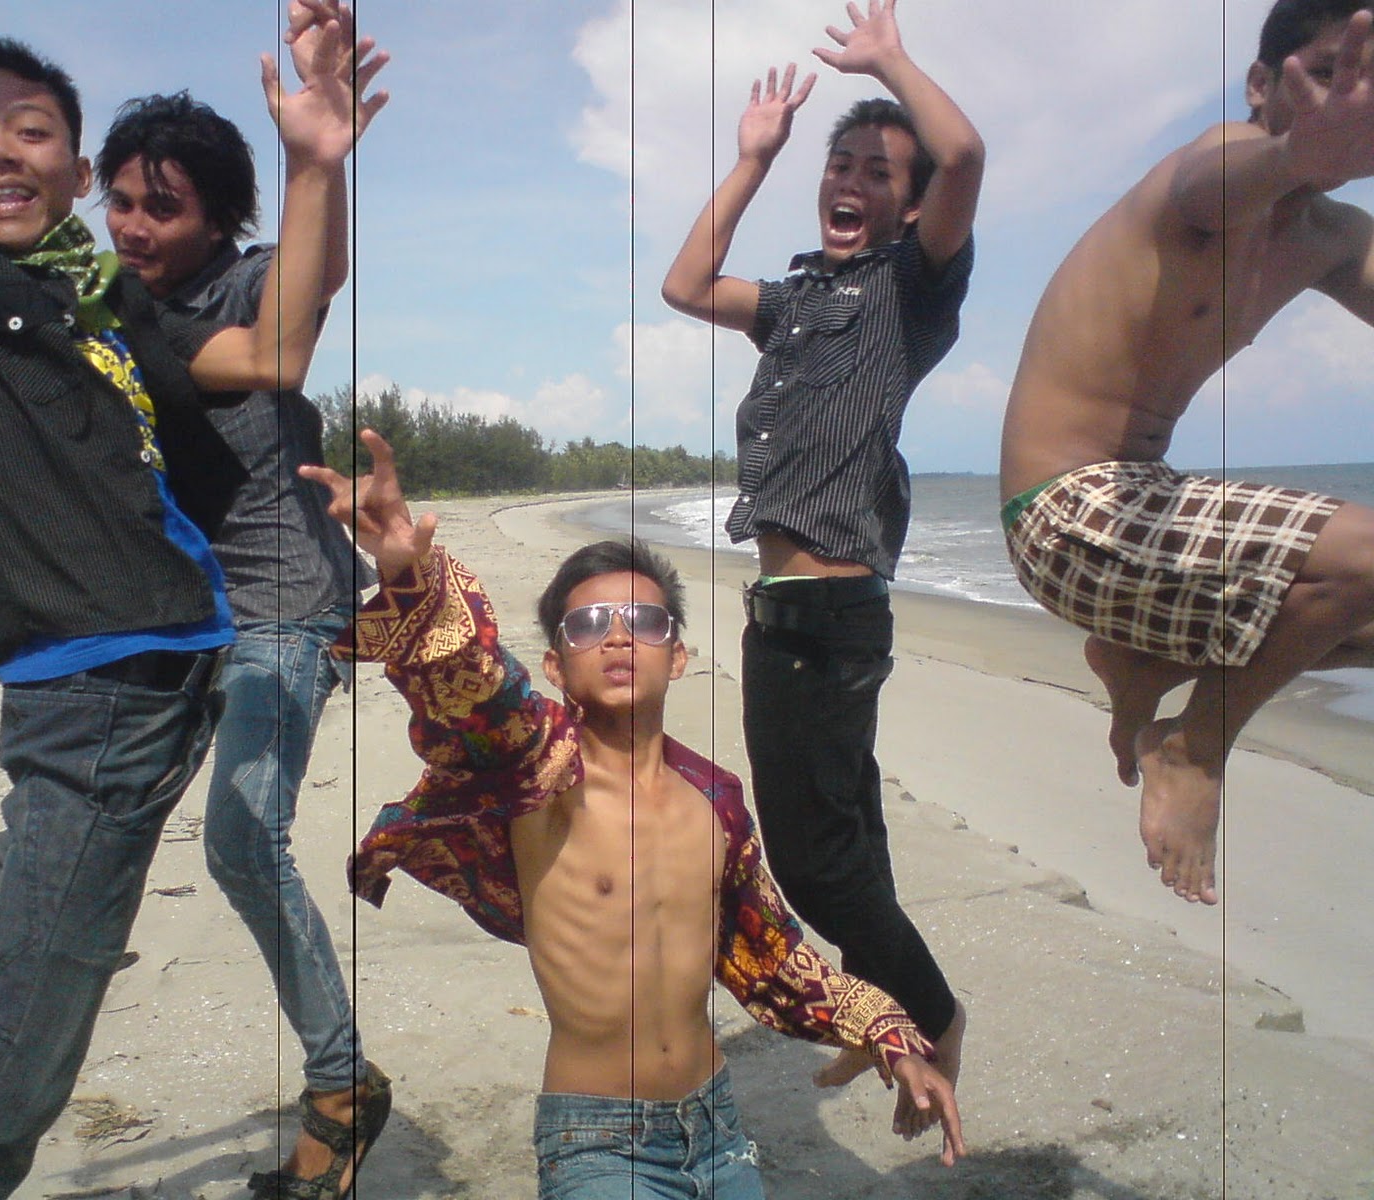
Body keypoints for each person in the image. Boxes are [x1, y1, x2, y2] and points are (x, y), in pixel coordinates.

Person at [0, 2, 374, 1196]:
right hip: (94, 680)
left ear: (75, 168)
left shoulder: (98, 302)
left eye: (31, 128)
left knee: (46, 882)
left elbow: (273, 354)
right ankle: (342, 1078)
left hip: (166, 669)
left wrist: (314, 163)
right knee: (18, 1073)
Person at [304, 429, 965, 1199]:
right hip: (597, 1143)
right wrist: (409, 573)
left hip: (718, 1130)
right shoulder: (537, 775)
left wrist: (890, 1034)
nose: (618, 635)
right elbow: (474, 683)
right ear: (557, 666)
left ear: (677, 655)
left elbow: (771, 958)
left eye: (645, 622)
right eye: (589, 625)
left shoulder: (716, 800)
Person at [659, 0, 983, 1143]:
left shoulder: (909, 294)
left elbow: (965, 155)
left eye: (875, 172)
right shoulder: (796, 302)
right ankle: (884, 1010)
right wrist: (753, 158)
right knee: (854, 836)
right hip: (789, 613)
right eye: (837, 166)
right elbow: (686, 284)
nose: (847, 182)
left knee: (812, 864)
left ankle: (933, 1016)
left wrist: (891, 60)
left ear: (908, 205)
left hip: (829, 615)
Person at [999, 0, 1374, 906]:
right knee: (1368, 555)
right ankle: (1194, 749)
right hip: (1062, 511)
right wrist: (1296, 155)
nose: (1352, 99)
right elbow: (1209, 186)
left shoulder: (1331, 238)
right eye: (1330, 72)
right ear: (1261, 84)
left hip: (1143, 514)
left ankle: (1150, 666)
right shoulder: (1216, 165)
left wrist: (1309, 168)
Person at [97, 81, 391, 1197]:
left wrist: (318, 158)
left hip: (286, 604)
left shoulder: (247, 280)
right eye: (120, 201)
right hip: (175, 611)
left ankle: (340, 1084)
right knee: (84, 819)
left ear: (217, 217)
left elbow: (313, 288)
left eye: (161, 207)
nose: (133, 226)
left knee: (239, 834)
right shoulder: (112, 302)